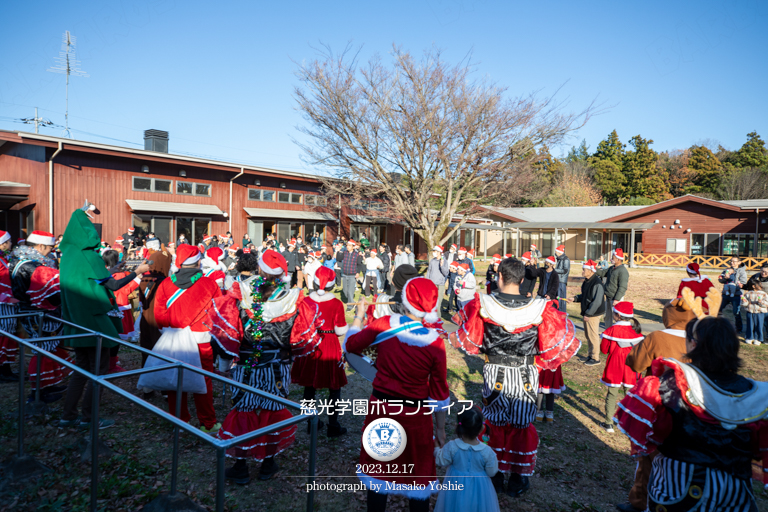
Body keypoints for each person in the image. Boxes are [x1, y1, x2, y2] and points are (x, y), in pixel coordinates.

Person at [614, 310, 768, 512]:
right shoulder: (757, 394)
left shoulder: (672, 384)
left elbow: (651, 435)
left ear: (693, 345)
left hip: (678, 487)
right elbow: (758, 448)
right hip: (734, 494)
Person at [451, 258, 580, 497]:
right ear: (522, 281)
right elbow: (550, 344)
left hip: (495, 370)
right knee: (521, 423)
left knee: (495, 421)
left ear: (499, 276)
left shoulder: (484, 303)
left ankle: (496, 474)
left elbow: (471, 339)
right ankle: (518, 478)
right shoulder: (539, 307)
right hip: (526, 373)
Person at [207, 250, 321, 483]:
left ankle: (241, 466)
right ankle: (268, 463)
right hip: (277, 367)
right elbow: (299, 340)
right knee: (272, 410)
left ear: (260, 270)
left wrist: (225, 364)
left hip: (246, 365)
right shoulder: (293, 299)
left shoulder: (241, 294)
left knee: (244, 410)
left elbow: (229, 335)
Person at [345, 277, 450, 512]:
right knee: (418, 474)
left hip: (381, 409)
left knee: (378, 472)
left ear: (404, 300)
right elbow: (440, 392)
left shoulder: (383, 324)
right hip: (416, 416)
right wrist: (441, 429)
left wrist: (359, 316)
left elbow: (351, 345)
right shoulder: (436, 343)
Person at [59, 206, 151, 429]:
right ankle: (89, 418)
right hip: (94, 323)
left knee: (80, 370)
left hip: (75, 321)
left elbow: (95, 280)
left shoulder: (68, 256)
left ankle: (67, 416)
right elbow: (114, 284)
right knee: (98, 372)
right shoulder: (89, 256)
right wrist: (137, 271)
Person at [616, 292, 697, 512]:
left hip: (659, 402)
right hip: (694, 405)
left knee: (648, 454)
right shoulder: (699, 339)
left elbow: (635, 362)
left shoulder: (657, 337)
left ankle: (640, 501)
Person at [142, 244, 222, 433]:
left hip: (173, 339)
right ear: (198, 262)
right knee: (204, 381)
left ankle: (179, 422)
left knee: (174, 381)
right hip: (200, 339)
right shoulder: (209, 284)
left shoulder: (166, 283)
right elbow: (218, 312)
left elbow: (159, 316)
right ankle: (208, 423)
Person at [8, 231, 72, 402]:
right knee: (42, 350)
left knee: (47, 349)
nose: (51, 251)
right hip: (38, 312)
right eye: (50, 247)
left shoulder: (20, 261)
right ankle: (38, 391)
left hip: (31, 310)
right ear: (41, 246)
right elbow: (49, 290)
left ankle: (49, 384)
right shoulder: (33, 266)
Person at [291, 266, 348, 437]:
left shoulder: (305, 302)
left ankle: (311, 423)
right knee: (334, 387)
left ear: (314, 282)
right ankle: (333, 425)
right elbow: (340, 330)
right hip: (329, 343)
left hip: (310, 343)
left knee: (309, 386)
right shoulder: (337, 303)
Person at [433, 407, 500, 512]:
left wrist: (437, 448)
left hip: (455, 484)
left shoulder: (452, 446)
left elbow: (441, 460)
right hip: (480, 488)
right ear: (482, 428)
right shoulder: (487, 451)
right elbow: (492, 472)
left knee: (455, 505)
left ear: (459, 427)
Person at [598, 301, 643, 433]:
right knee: (629, 395)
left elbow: (604, 350)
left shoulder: (611, 331)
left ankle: (608, 423)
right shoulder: (636, 332)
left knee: (612, 394)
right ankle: (629, 424)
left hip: (614, 366)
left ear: (617, 315)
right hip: (631, 368)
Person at [137, 239, 172, 398]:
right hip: (161, 322)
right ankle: (165, 389)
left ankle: (147, 388)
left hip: (146, 319)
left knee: (147, 350)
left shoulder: (145, 280)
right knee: (163, 353)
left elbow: (142, 301)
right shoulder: (167, 283)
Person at [101, 250, 141, 372]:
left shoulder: (102, 272)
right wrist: (138, 278)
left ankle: (107, 361)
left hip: (106, 307)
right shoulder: (120, 275)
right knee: (116, 338)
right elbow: (126, 290)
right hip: (120, 308)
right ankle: (111, 364)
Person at [568, 260, 605, 366]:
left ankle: (595, 358)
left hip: (593, 313)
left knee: (593, 335)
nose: (582, 272)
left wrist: (588, 314)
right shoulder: (586, 281)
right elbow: (585, 296)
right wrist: (574, 298)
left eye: (584, 270)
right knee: (588, 335)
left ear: (591, 271)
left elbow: (597, 301)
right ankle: (590, 355)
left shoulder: (597, 283)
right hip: (588, 312)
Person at [0, 230, 19, 382]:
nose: (11, 244)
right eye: (9, 241)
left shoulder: (3, 258)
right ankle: (3, 370)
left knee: (8, 334)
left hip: (8, 301)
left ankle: (6, 369)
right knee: (5, 334)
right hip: (4, 302)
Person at [596, 248, 629, 329]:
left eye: (613, 257)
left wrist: (617, 299)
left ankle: (617, 334)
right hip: (608, 297)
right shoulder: (611, 268)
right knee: (607, 317)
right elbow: (603, 273)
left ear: (618, 259)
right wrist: (593, 269)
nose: (611, 258)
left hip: (616, 299)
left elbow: (623, 287)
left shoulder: (623, 271)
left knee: (617, 319)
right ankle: (608, 332)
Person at [718, 255, 747, 333]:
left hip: (736, 295)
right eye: (731, 261)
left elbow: (743, 283)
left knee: (736, 312)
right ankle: (717, 326)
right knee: (718, 308)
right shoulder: (726, 270)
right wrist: (725, 278)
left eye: (734, 261)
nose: (732, 262)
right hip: (726, 294)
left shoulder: (742, 271)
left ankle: (739, 328)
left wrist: (734, 287)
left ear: (739, 262)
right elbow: (720, 280)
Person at [740, 280, 768, 345]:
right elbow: (744, 304)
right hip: (750, 312)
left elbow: (766, 304)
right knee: (750, 325)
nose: (761, 286)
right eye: (759, 284)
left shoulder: (764, 294)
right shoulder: (748, 293)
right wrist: (744, 301)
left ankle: (758, 338)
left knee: (759, 326)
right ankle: (749, 337)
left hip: (759, 312)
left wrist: (761, 302)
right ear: (753, 286)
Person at [426, 246, 450, 312]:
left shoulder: (444, 260)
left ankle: (438, 319)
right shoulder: (432, 261)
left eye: (435, 251)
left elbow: (446, 273)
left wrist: (442, 266)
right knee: (431, 303)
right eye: (433, 251)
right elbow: (429, 271)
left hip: (440, 284)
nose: (433, 252)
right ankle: (431, 319)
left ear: (439, 252)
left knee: (438, 304)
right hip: (432, 284)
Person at [340, 240, 362, 308]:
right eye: (347, 245)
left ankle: (350, 305)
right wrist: (338, 251)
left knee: (350, 291)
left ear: (353, 246)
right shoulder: (344, 253)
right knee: (345, 291)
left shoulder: (357, 254)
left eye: (349, 245)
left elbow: (359, 264)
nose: (348, 247)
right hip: (345, 274)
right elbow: (338, 259)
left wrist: (358, 272)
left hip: (352, 274)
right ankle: (352, 302)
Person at [554, 245, 570, 312]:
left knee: (561, 299)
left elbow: (565, 270)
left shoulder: (565, 259)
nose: (555, 254)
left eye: (556, 252)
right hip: (558, 280)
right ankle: (558, 311)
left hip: (562, 281)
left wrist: (555, 270)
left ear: (559, 252)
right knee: (557, 298)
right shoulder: (559, 259)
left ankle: (562, 312)